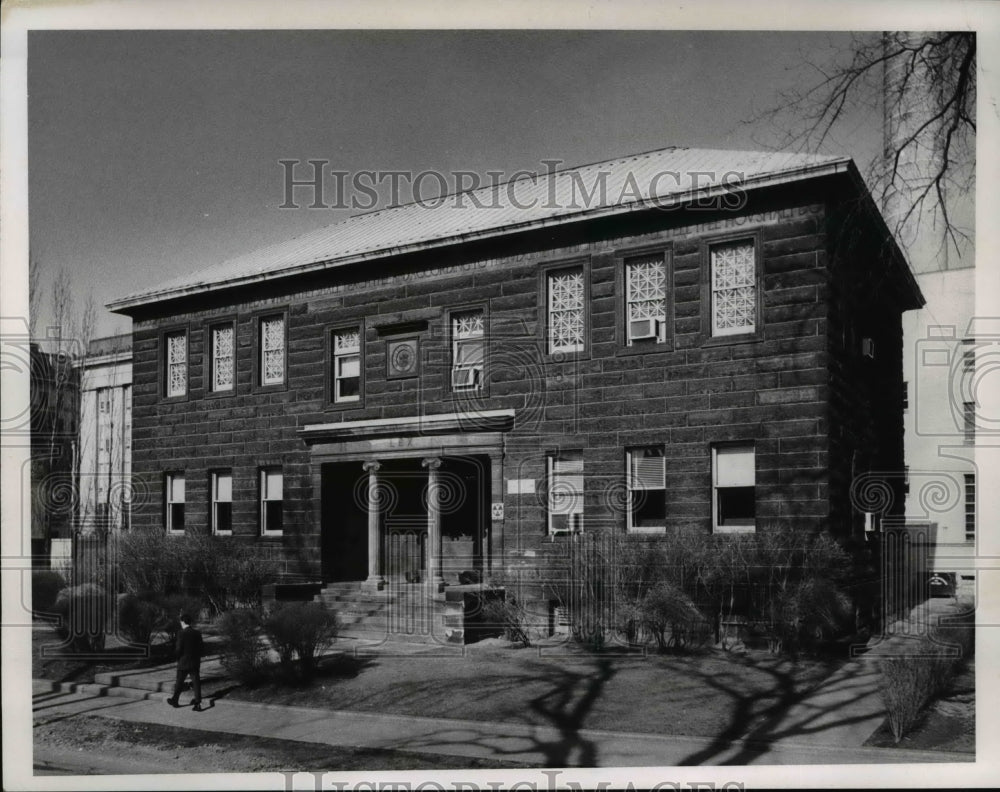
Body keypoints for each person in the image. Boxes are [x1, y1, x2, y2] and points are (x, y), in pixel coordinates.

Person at [166, 612, 203, 710]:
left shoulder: (181, 633)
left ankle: (175, 700)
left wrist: (176, 657)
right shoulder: (197, 633)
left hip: (183, 662)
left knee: (179, 682)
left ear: (182, 622)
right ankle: (198, 703)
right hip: (195, 661)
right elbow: (201, 648)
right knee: (196, 683)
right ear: (190, 622)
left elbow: (179, 649)